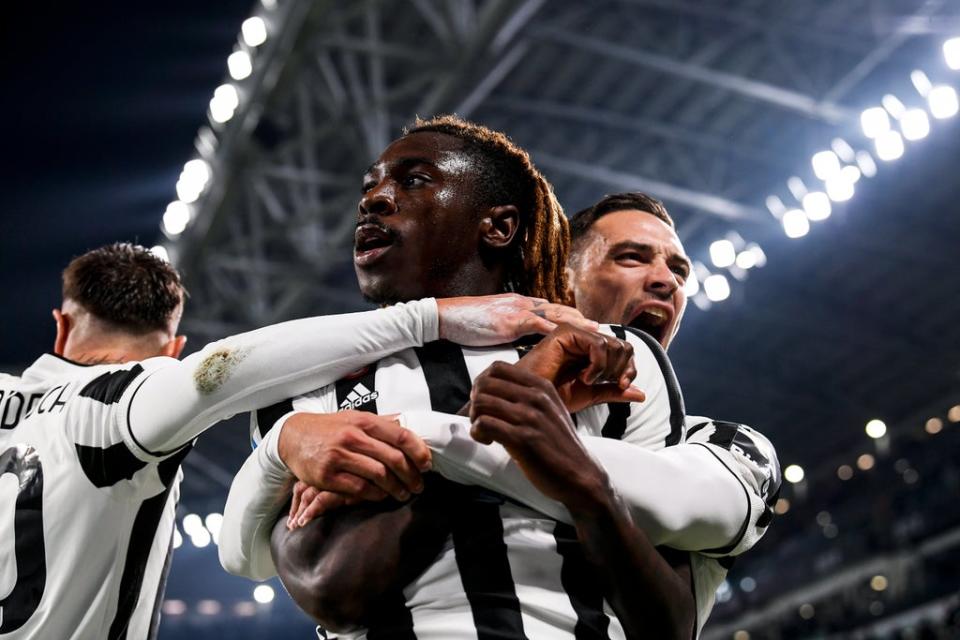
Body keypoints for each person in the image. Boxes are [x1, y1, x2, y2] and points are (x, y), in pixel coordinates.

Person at [220, 117, 776, 638]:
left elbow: (667, 624)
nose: (374, 199)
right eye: (370, 187)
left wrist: (421, 437)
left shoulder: (616, 363)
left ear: (499, 227)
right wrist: (507, 420)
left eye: (414, 181)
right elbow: (332, 589)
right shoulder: (306, 383)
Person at [0, 242, 575, 639]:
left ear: (62, 325)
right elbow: (223, 371)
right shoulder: (120, 400)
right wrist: (431, 318)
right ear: (173, 349)